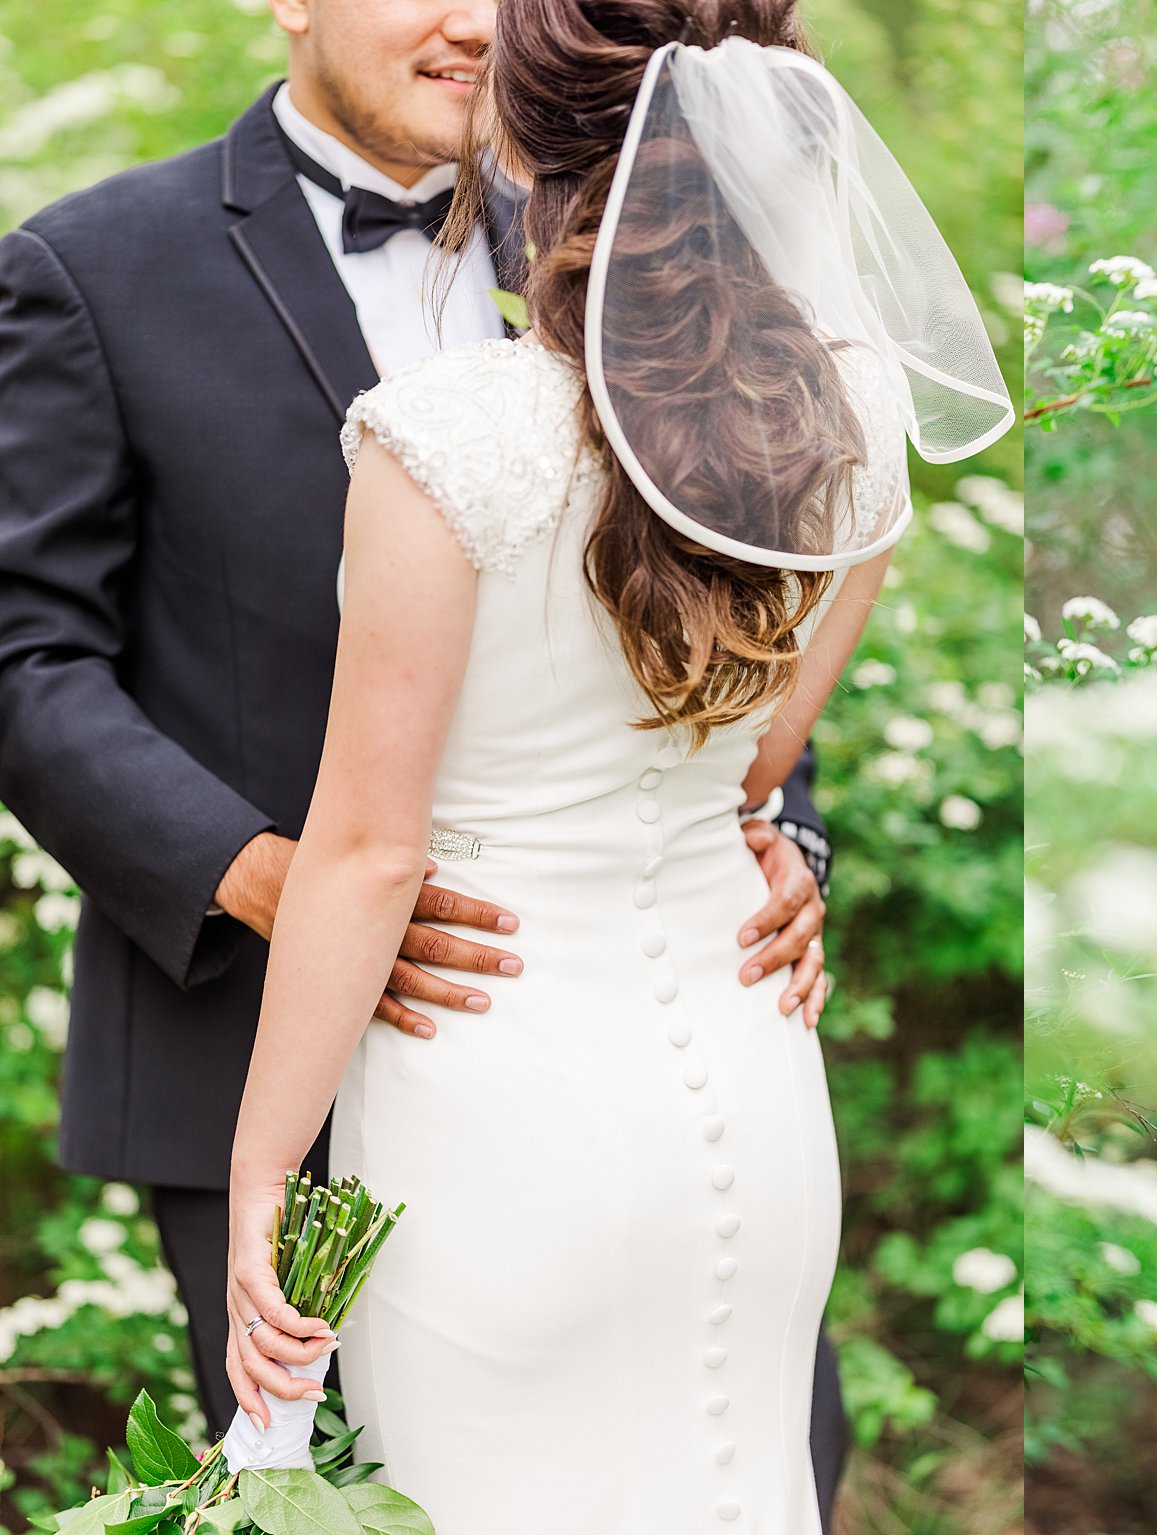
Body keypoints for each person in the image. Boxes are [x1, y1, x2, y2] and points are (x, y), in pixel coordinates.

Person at [0, 0, 844, 1512]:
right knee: (344, 1496)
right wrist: (273, 881)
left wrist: (782, 839)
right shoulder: (88, 269)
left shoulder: (641, 228)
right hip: (247, 1030)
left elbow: (726, 618)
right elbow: (23, 661)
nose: (473, 20)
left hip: (664, 1036)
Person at [214, 0, 1011, 1528]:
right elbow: (760, 764)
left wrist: (265, 1182)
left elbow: (369, 853)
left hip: (493, 1106)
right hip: (753, 1078)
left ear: (520, 135)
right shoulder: (847, 422)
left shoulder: (445, 438)